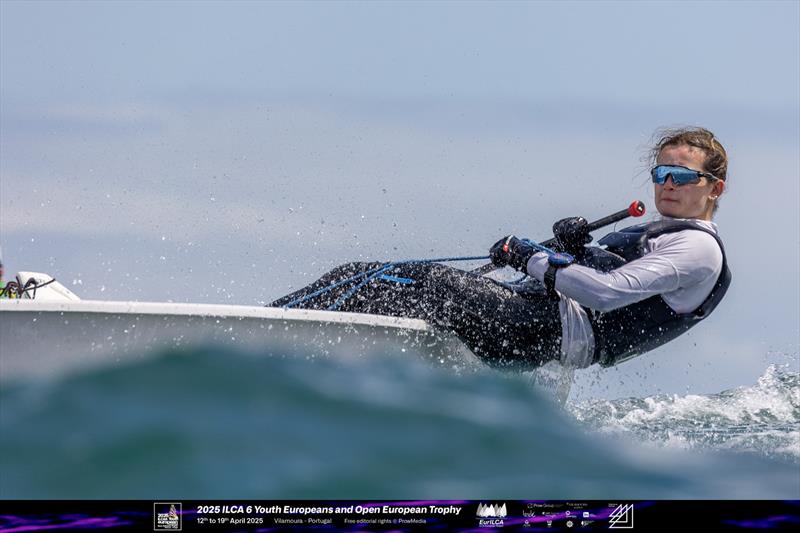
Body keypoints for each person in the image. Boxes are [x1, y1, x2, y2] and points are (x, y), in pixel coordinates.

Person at [270, 127, 730, 371]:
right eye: (661, 174)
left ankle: (265, 338)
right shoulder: (661, 231)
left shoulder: (697, 249)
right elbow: (593, 274)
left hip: (541, 331)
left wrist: (531, 256)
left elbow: (607, 293)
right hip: (532, 320)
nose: (668, 184)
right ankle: (285, 336)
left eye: (683, 176)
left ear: (714, 188)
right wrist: (572, 250)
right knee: (375, 277)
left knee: (416, 280)